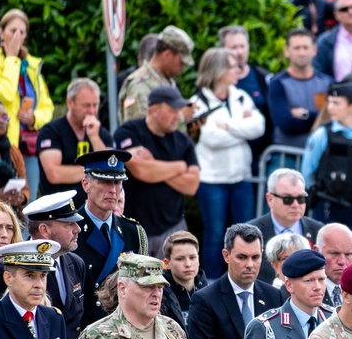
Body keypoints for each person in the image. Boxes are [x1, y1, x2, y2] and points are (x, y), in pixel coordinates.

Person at [0, 192, 87, 339]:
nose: (78, 229)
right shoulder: (6, 268)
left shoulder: (76, 264)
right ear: (44, 230)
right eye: (68, 224)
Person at [192, 47, 265, 278]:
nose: (238, 70)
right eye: (233, 66)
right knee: (215, 235)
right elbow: (210, 138)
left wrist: (229, 126)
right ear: (219, 70)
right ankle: (211, 282)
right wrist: (241, 128)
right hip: (212, 180)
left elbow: (259, 127)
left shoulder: (240, 96)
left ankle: (242, 282)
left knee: (246, 234)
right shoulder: (198, 102)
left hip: (241, 178)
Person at [302, 77, 352, 258]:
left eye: (336, 103)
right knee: (321, 256)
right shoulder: (322, 134)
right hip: (326, 205)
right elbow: (307, 171)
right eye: (329, 102)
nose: (329, 107)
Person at [115, 85, 200, 257]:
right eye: (172, 111)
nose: (178, 116)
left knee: (170, 282)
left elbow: (192, 185)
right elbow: (141, 171)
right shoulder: (129, 132)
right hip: (133, 228)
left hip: (172, 228)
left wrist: (154, 165)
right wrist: (179, 167)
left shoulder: (183, 141)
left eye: (179, 111)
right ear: (154, 110)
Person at [0, 10, 54, 196]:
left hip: (28, 148)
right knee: (1, 201)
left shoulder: (32, 66)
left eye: (22, 32)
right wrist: (12, 58)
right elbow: (6, 95)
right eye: (13, 31)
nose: (17, 36)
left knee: (29, 203)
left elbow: (47, 106)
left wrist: (33, 117)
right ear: (1, 32)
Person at [74, 150, 148, 326]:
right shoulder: (70, 230)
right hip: (84, 331)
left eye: (117, 182)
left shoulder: (133, 232)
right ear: (86, 184)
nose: (113, 190)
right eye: (104, 182)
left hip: (123, 331)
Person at [36, 77, 113, 200]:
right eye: (86, 105)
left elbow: (110, 168)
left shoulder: (100, 133)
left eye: (95, 105)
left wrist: (94, 137)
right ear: (69, 103)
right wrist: (95, 170)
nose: (92, 111)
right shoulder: (51, 131)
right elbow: (54, 174)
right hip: (58, 210)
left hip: (92, 210)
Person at [267, 30, 332, 150]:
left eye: (305, 47)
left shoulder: (326, 82)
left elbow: (331, 118)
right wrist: (318, 118)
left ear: (314, 50)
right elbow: (286, 124)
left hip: (320, 152)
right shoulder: (278, 83)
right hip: (287, 153)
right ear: (287, 51)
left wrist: (304, 114)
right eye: (296, 48)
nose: (302, 53)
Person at [120, 25, 195, 124]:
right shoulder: (139, 84)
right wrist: (181, 117)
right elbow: (139, 129)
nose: (182, 68)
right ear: (167, 54)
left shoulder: (168, 81)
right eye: (181, 62)